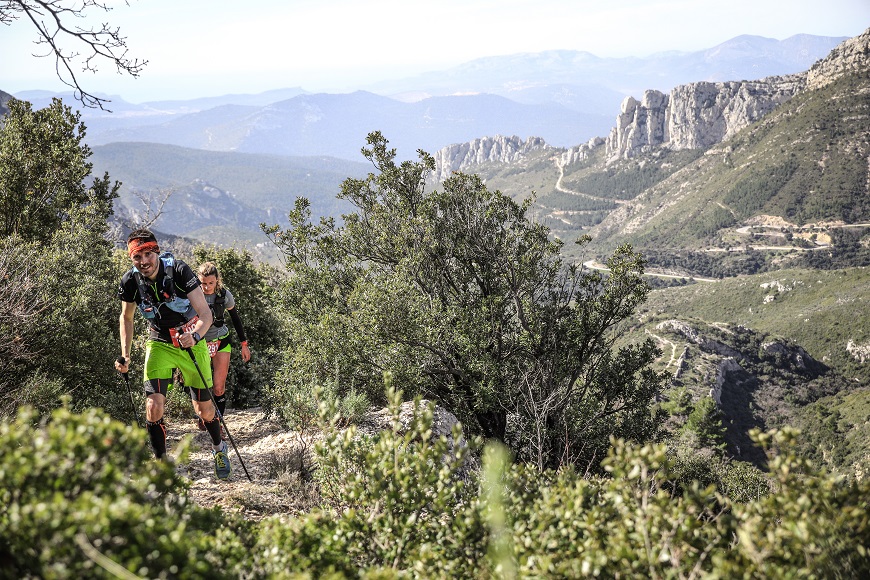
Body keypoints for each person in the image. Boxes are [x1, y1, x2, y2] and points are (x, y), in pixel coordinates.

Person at [115, 229, 232, 480]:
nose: (143, 261)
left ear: (156, 252)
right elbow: (126, 317)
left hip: (191, 340)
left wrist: (196, 336)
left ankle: (218, 448)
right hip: (159, 342)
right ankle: (161, 465)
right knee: (153, 406)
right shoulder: (130, 281)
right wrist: (125, 355)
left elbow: (206, 314)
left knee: (205, 411)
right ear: (131, 259)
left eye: (148, 254)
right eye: (137, 257)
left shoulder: (179, 271)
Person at [194, 261, 251, 433]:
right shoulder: (193, 294)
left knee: (219, 387)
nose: (207, 287)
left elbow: (236, 319)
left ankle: (217, 424)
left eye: (211, 283)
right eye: (203, 283)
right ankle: (203, 414)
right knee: (202, 385)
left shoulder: (225, 295)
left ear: (217, 280)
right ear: (199, 281)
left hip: (221, 341)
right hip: (200, 343)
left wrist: (244, 344)